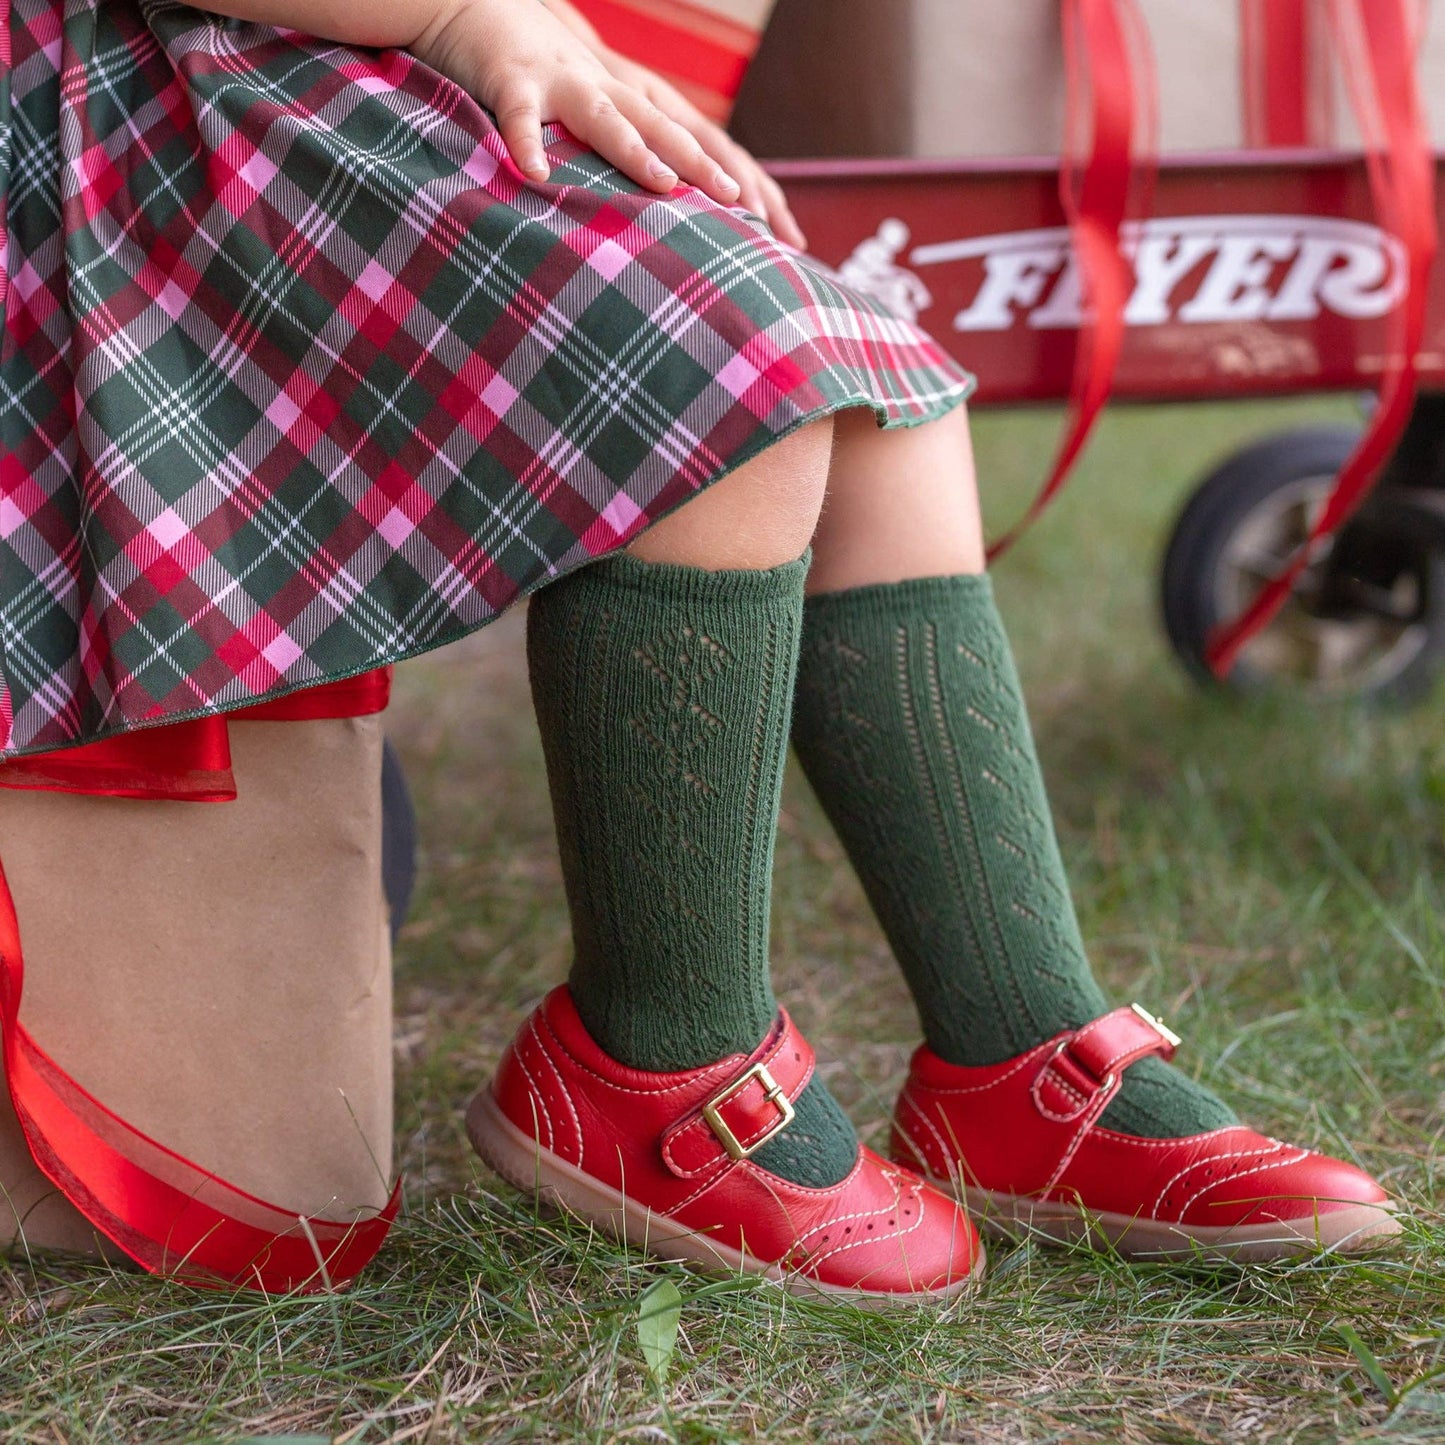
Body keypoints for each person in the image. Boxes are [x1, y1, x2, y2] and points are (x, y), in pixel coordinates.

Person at [2, 0, 1398, 1303]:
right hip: (135, 110)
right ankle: (653, 1054)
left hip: (324, 65)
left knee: (883, 389)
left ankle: (1018, 1048)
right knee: (726, 366)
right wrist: (461, 18)